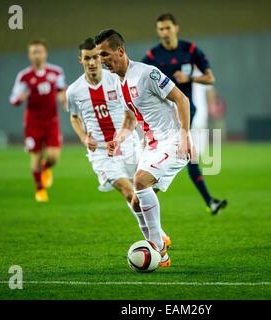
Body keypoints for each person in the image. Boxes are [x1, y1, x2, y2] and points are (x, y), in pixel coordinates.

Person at [95, 29, 193, 267]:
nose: (102, 60)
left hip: (172, 140)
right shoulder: (119, 83)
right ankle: (161, 252)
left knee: (139, 181)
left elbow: (182, 99)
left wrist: (184, 135)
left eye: (105, 54)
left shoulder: (147, 73)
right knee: (136, 202)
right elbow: (130, 118)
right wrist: (118, 139)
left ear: (120, 51)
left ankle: (157, 247)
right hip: (151, 146)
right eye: (99, 56)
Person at [67, 37, 171, 246]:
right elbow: (74, 117)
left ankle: (155, 237)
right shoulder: (73, 91)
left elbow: (129, 113)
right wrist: (84, 137)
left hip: (129, 143)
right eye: (87, 58)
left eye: (96, 56)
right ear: (81, 60)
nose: (93, 62)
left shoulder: (115, 78)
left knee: (141, 188)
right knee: (127, 189)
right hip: (101, 152)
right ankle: (156, 237)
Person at [142, 13, 227, 215]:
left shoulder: (190, 50)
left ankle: (208, 201)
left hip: (186, 111)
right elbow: (140, 81)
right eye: (161, 29)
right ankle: (145, 199)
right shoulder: (152, 56)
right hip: (163, 117)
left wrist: (189, 78)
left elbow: (210, 78)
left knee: (190, 155)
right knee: (188, 156)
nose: (165, 32)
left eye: (168, 28)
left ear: (176, 28)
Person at [9, 39, 67, 202]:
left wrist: (63, 99)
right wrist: (19, 98)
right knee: (35, 156)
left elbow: (62, 90)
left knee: (53, 157)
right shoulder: (24, 76)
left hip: (52, 121)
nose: (37, 55)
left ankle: (46, 168)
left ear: (45, 53)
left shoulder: (56, 72)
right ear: (29, 55)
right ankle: (40, 190)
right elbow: (13, 99)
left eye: (39, 51)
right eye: (34, 52)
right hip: (33, 123)